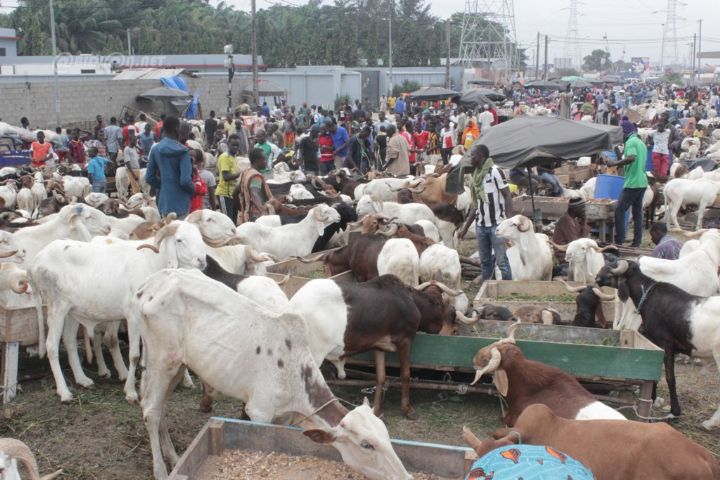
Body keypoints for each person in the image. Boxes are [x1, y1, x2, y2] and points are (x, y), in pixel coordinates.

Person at [458, 143, 513, 282]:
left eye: (473, 156)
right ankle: (486, 289)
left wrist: (509, 221)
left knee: (502, 262)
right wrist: (465, 228)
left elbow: (507, 195)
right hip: (481, 226)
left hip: (497, 225)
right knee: (485, 262)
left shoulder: (495, 171)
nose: (470, 159)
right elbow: (475, 206)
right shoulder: (475, 176)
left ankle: (507, 289)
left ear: (481, 156)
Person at [607, 121, 647, 247]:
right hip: (642, 182)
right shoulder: (640, 142)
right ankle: (637, 242)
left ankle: (619, 241)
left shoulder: (631, 142)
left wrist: (614, 163)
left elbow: (631, 158)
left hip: (633, 183)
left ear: (624, 132)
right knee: (637, 213)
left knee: (619, 210)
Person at [145, 116, 195, 218]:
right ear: (177, 129)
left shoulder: (156, 149)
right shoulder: (184, 152)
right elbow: (185, 181)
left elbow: (149, 178)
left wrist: (164, 184)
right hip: (181, 203)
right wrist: (193, 190)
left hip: (164, 202)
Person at [237, 147, 274, 223]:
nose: (266, 162)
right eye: (264, 159)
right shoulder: (256, 177)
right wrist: (263, 212)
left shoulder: (246, 172)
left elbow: (236, 191)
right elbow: (254, 194)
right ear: (257, 161)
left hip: (246, 214)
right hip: (256, 217)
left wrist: (242, 209)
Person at [215, 134, 242, 222]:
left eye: (237, 145)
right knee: (227, 221)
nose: (235, 147)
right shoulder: (225, 157)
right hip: (224, 194)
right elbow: (226, 177)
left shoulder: (234, 157)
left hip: (232, 194)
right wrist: (239, 174)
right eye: (233, 145)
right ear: (228, 144)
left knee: (233, 221)